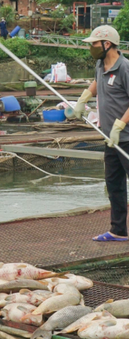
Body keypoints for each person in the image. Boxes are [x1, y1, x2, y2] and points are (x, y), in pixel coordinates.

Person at [73, 25, 129, 242]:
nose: (91, 47)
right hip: (110, 140)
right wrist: (84, 97)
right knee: (114, 185)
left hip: (125, 138)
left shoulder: (124, 68)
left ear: (107, 44)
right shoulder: (100, 64)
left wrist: (120, 125)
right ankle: (118, 231)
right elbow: (98, 80)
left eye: (94, 44)